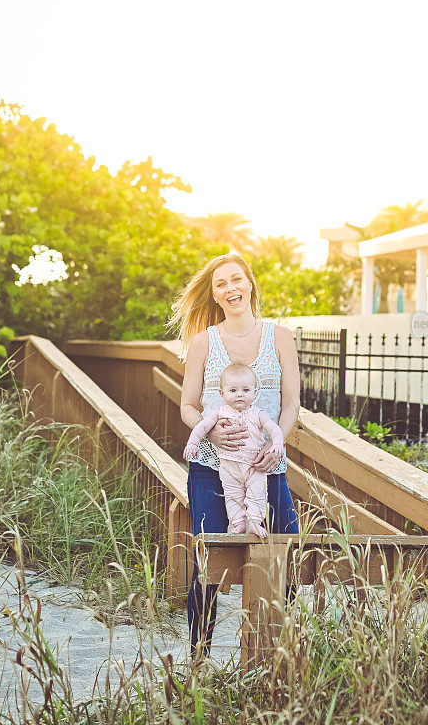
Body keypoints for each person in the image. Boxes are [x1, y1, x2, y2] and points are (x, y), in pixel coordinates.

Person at [170, 253, 300, 657]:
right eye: (220, 284)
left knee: (289, 552)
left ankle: (275, 648)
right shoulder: (203, 341)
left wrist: (274, 444)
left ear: (250, 285)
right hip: (212, 466)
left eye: (236, 280)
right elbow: (188, 405)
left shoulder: (281, 336)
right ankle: (199, 657)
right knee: (206, 559)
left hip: (266, 464)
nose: (230, 289)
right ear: (215, 294)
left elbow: (292, 404)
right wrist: (211, 434)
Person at [183, 363, 284, 537]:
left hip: (254, 465)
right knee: (232, 496)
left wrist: (277, 444)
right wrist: (192, 443)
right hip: (228, 466)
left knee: (257, 494)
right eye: (233, 390)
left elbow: (274, 429)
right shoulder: (219, 413)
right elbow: (202, 427)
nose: (239, 395)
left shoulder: (257, 414)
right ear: (222, 393)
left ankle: (254, 522)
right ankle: (238, 524)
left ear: (254, 392)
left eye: (245, 390)